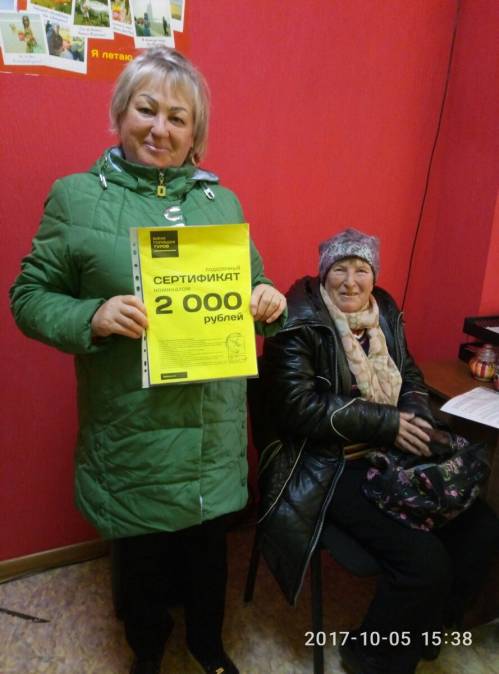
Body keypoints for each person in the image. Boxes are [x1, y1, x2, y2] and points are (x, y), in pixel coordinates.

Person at [10, 47, 286, 674]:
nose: (160, 128)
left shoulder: (221, 203)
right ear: (121, 113)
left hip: (212, 429)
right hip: (132, 428)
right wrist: (93, 315)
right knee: (141, 561)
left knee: (209, 551)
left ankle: (208, 645)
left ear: (196, 135)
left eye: (178, 118)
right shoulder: (76, 198)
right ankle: (148, 650)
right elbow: (28, 296)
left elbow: (255, 286)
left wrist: (267, 300)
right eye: (147, 109)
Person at [257, 228, 499, 674]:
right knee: (425, 563)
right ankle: (370, 655)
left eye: (361, 270)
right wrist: (389, 424)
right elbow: (297, 408)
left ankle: (427, 627)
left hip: (388, 452)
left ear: (374, 275)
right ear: (323, 273)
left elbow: (409, 375)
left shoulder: (383, 310)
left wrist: (416, 419)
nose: (351, 282)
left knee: (482, 527)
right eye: (340, 269)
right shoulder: (297, 320)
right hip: (327, 463)